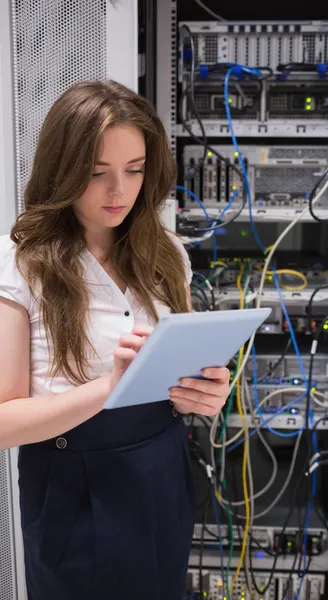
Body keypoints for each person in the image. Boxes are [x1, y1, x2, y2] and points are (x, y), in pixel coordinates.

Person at [0, 80, 230, 600]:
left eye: (134, 170)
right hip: (72, 480)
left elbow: (184, 366)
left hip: (163, 467)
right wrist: (111, 387)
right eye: (97, 174)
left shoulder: (166, 252)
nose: (119, 192)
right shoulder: (21, 265)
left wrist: (208, 393)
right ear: (62, 170)